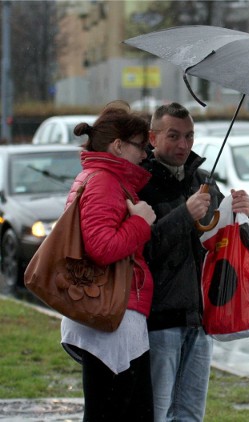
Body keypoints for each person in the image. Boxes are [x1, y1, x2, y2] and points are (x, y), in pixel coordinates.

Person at [139, 102, 249, 421]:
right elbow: (145, 249)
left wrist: (242, 214)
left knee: (191, 413)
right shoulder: (141, 183)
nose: (183, 144)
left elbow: (220, 243)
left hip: (201, 318)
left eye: (189, 136)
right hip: (159, 320)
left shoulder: (202, 180)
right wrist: (184, 214)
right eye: (173, 136)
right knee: (157, 412)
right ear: (153, 137)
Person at [60, 101, 157, 421]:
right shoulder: (104, 181)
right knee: (118, 412)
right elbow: (101, 248)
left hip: (112, 314)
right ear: (118, 146)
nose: (145, 154)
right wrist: (141, 222)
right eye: (141, 146)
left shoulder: (99, 176)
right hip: (112, 316)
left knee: (114, 410)